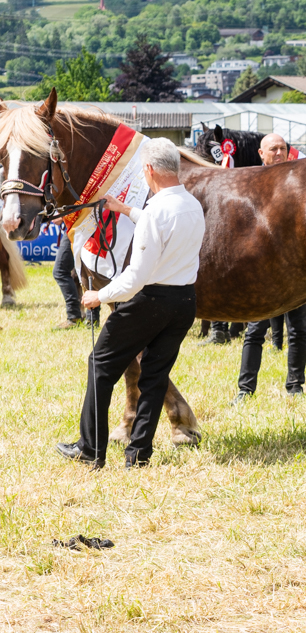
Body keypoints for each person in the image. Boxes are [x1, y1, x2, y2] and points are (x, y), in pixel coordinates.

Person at [56, 138, 205, 469]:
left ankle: (90, 448)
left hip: (149, 301)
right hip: (184, 301)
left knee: (100, 365)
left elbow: (135, 278)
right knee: (155, 376)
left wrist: (99, 296)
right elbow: (162, 225)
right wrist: (126, 210)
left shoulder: (154, 212)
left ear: (149, 170)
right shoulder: (192, 204)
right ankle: (138, 455)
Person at [232, 133, 306, 405]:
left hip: (295, 266)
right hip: (263, 269)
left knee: (298, 330)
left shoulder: (301, 181)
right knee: (255, 330)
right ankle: (245, 390)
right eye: (273, 149)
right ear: (261, 154)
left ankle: (295, 386)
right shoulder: (251, 182)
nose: (279, 153)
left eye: (282, 148)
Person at [52, 232, 88, 329]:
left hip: (76, 227)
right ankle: (91, 317)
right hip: (82, 228)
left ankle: (74, 316)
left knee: (60, 271)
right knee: (86, 270)